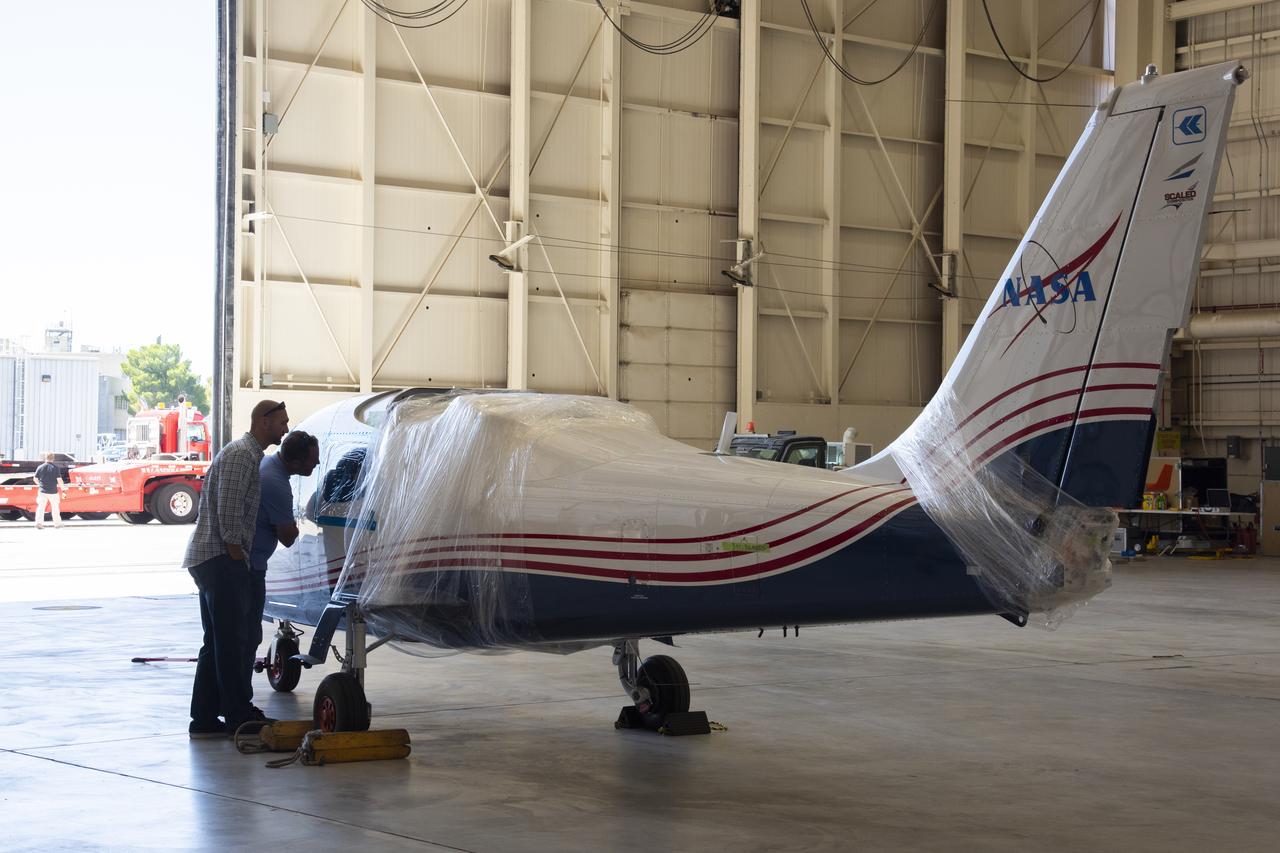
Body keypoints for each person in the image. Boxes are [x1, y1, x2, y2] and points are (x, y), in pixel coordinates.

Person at [183, 399, 290, 738]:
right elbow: (228, 517)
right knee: (231, 642)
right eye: (282, 422)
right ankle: (238, 714)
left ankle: (204, 719)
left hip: (213, 559)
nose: (286, 429)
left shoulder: (246, 455)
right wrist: (237, 562)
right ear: (263, 421)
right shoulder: (242, 456)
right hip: (220, 559)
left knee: (217, 642)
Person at [245, 430, 320, 702]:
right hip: (249, 568)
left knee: (244, 637)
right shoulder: (276, 482)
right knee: (247, 637)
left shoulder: (268, 466)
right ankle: (240, 704)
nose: (318, 464)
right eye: (313, 460)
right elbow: (288, 537)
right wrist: (299, 524)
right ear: (297, 463)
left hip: (251, 562)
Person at [33, 453, 63, 529]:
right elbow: (59, 480)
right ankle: (57, 524)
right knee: (55, 508)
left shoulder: (40, 467)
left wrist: (40, 485)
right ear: (53, 459)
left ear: (45, 458)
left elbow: (35, 479)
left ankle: (38, 523)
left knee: (41, 508)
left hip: (42, 491)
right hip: (53, 492)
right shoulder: (56, 468)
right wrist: (63, 488)